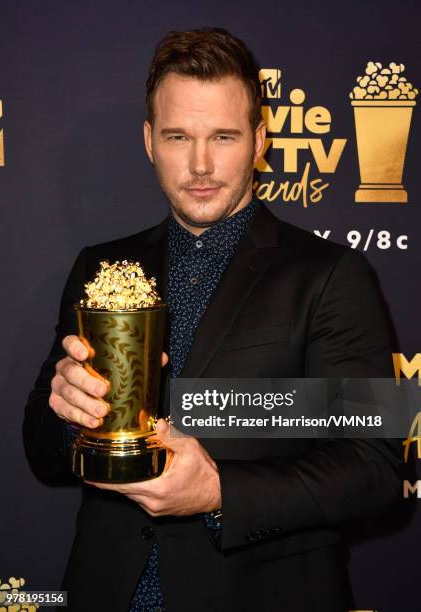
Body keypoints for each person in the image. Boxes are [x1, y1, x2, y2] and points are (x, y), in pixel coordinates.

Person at [23, 28, 402, 612]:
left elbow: (374, 470)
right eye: (178, 136)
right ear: (150, 141)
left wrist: (219, 492)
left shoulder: (332, 274)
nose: (200, 164)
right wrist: (72, 417)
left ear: (259, 139)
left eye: (223, 136)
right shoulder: (101, 266)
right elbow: (41, 449)